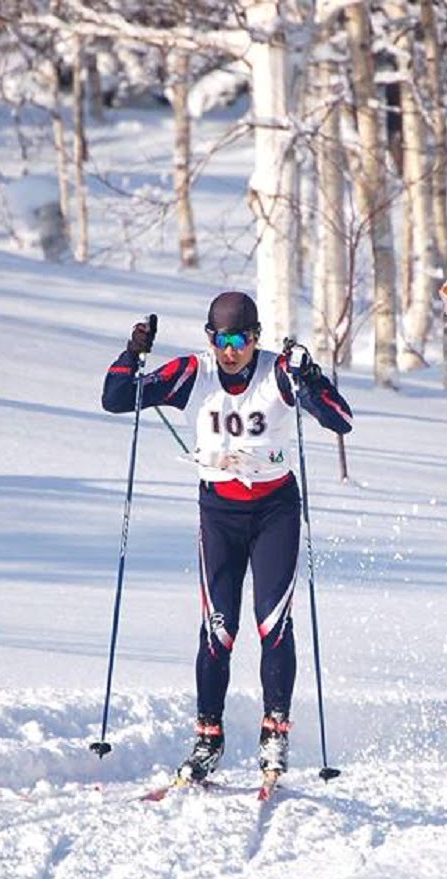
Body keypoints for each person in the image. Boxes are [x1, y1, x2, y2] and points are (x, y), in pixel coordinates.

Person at [102, 291, 354, 785]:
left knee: (273, 623)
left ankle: (275, 731)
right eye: (220, 339)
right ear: (210, 338)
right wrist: (133, 353)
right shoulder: (195, 373)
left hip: (274, 511)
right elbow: (115, 399)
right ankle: (208, 737)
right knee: (219, 627)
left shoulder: (278, 372)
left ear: (255, 337)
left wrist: (311, 377)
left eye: (239, 340)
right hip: (219, 512)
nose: (230, 350)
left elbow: (339, 419)